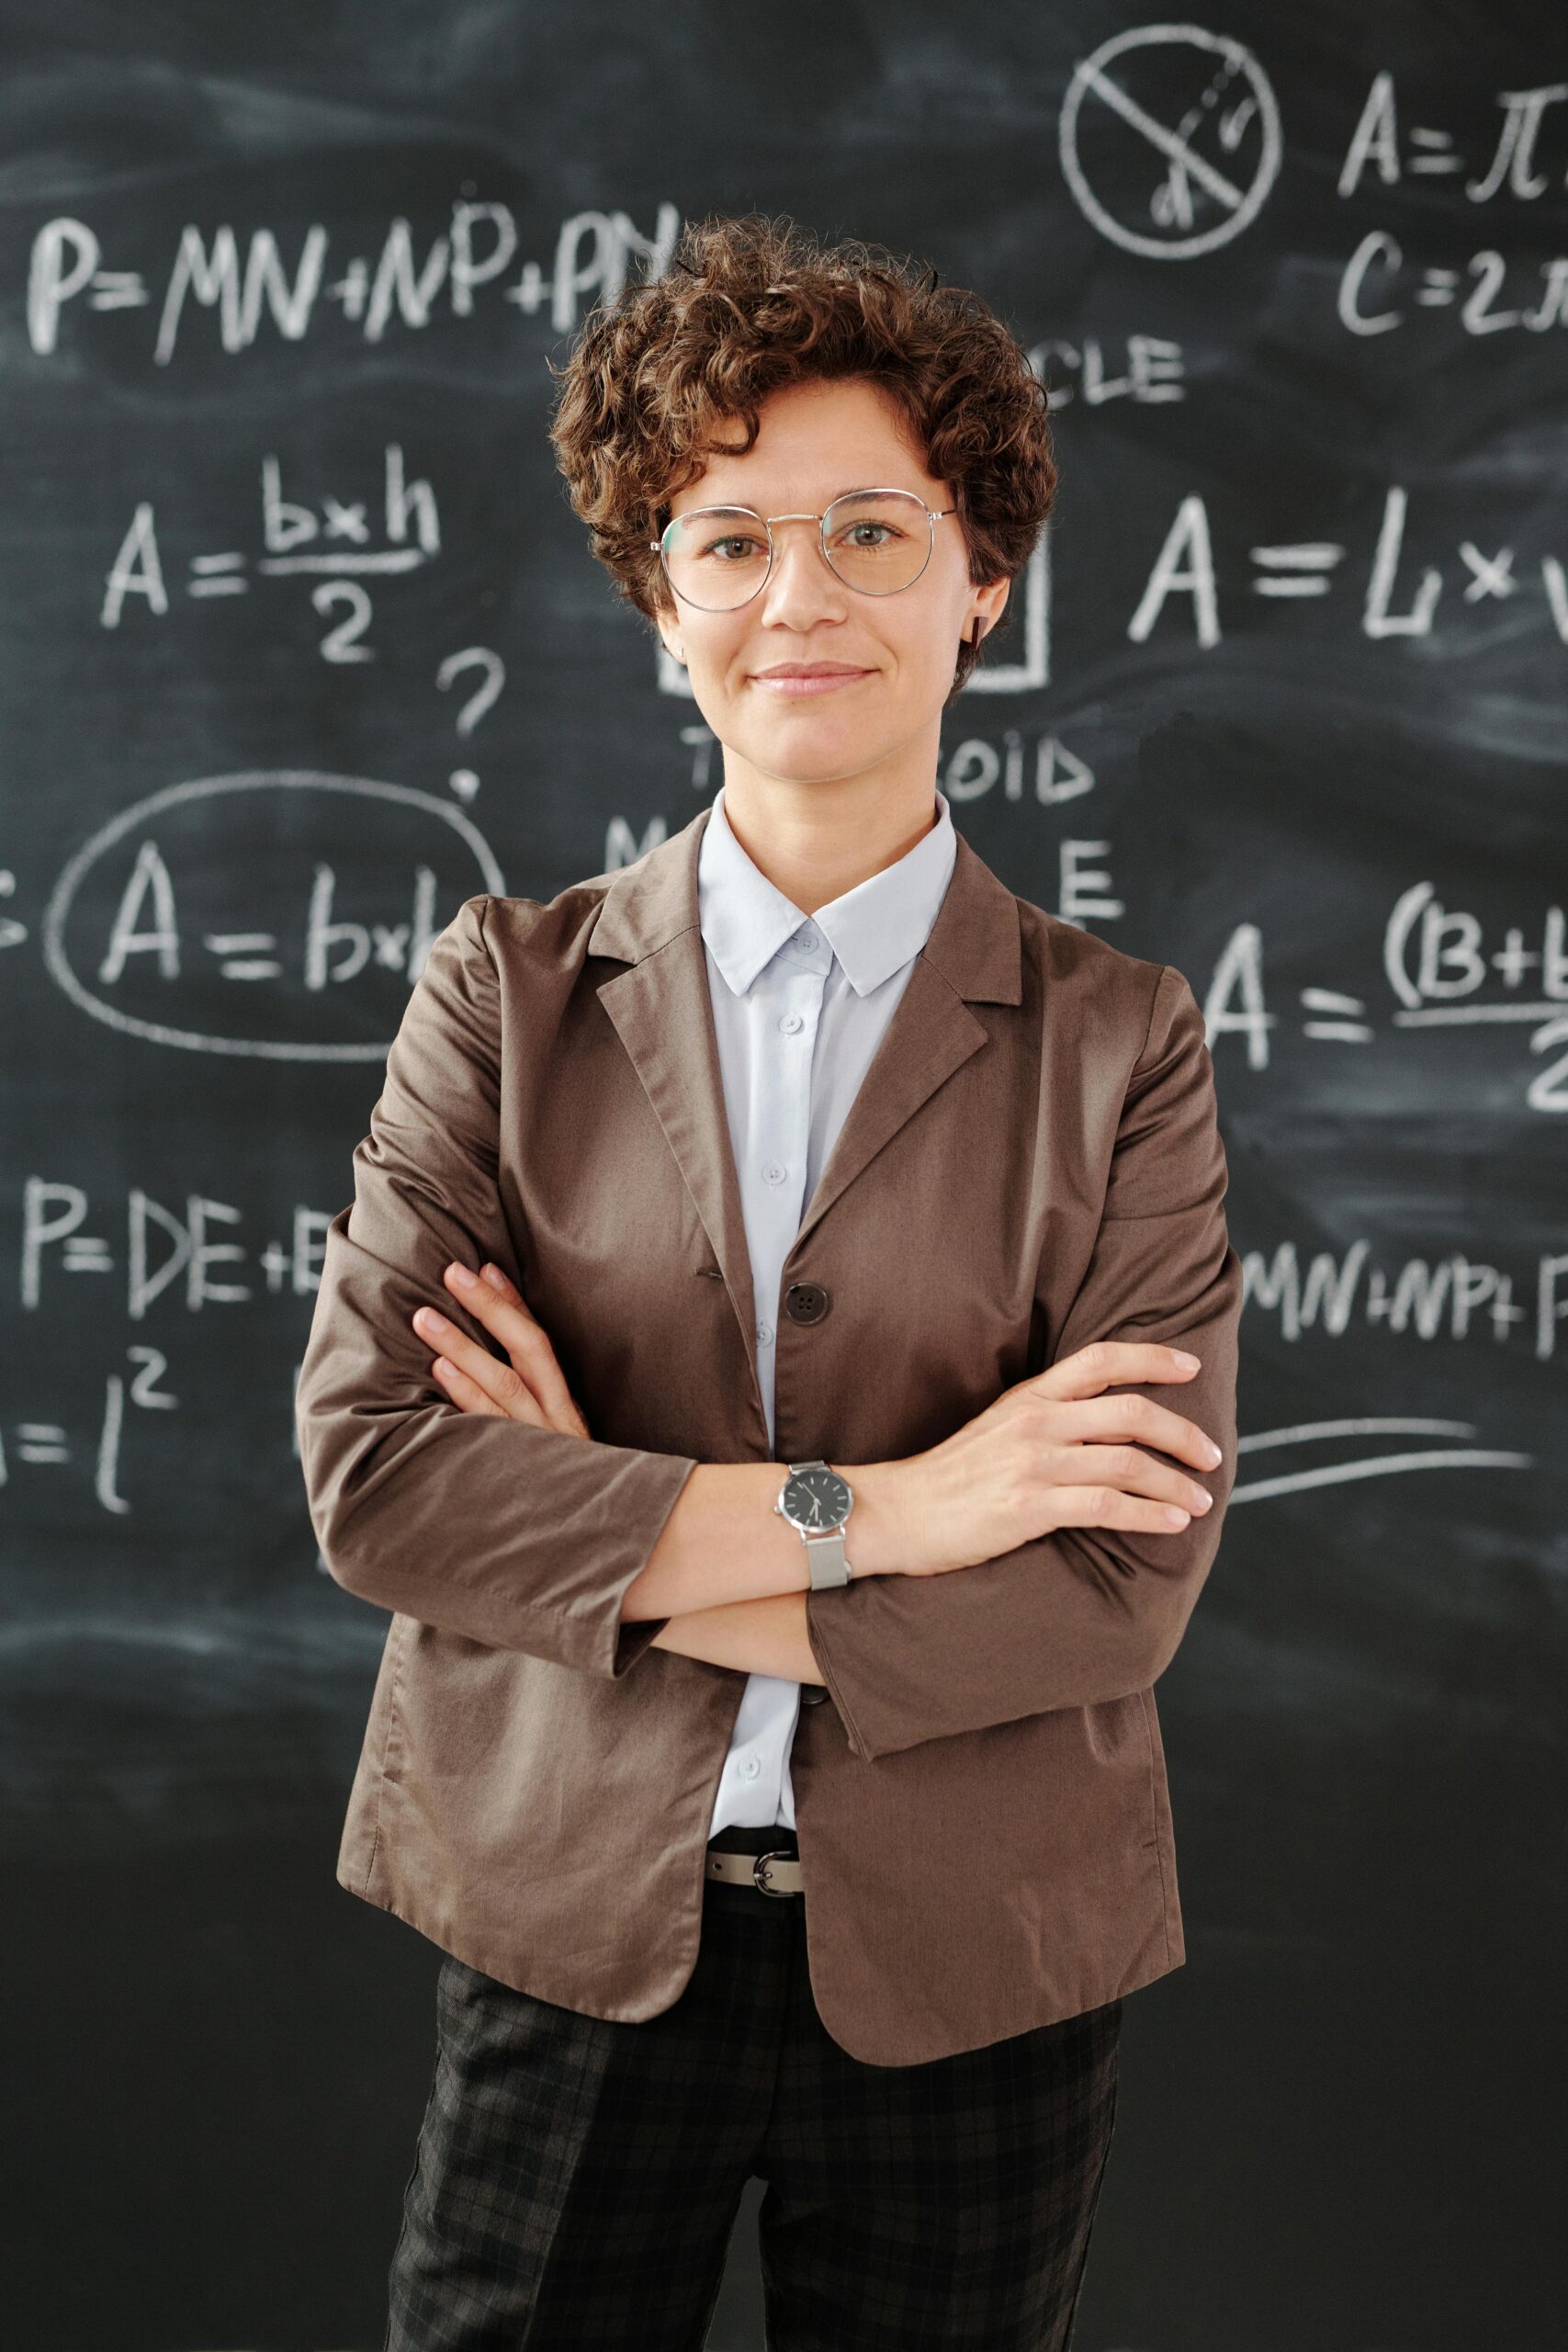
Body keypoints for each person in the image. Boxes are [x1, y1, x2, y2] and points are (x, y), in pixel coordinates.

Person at [296, 211, 1242, 2351]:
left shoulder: (1124, 1040)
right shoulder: (505, 993)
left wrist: (605, 1533)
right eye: (724, 538)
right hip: (564, 1920)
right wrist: (899, 1509)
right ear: (656, 598)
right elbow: (382, 1481)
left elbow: (1116, 1584)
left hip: (978, 1960)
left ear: (979, 575)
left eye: (867, 531)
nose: (795, 595)